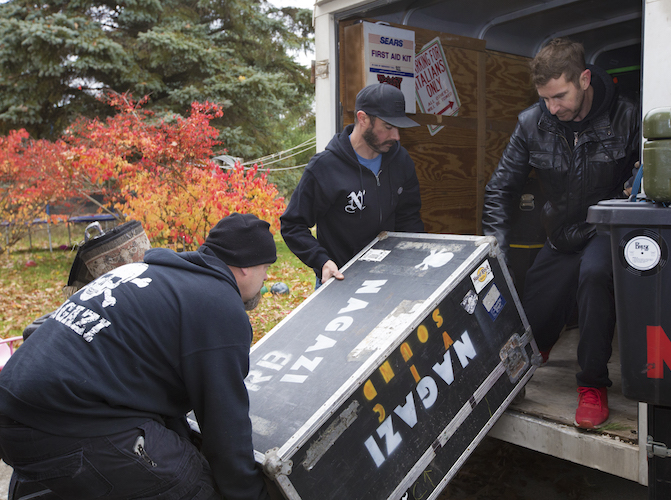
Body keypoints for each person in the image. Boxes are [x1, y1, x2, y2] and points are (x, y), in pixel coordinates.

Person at [0, 213, 277, 499]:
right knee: (194, 484)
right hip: (64, 422)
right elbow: (225, 425)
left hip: (14, 408)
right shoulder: (219, 304)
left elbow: (151, 390)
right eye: (266, 268)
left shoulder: (151, 275)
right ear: (246, 267)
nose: (266, 277)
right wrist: (250, 494)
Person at [482, 38, 641, 428]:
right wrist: (494, 247)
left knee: (593, 277)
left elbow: (645, 182)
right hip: (561, 233)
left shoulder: (627, 116)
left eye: (560, 96)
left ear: (584, 79)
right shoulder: (531, 123)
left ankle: (592, 384)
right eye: (545, 99)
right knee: (534, 312)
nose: (553, 108)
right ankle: (539, 347)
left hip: (605, 229)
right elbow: (501, 187)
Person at [281, 83, 425, 286]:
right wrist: (322, 261)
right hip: (341, 279)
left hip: (389, 276)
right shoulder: (325, 167)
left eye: (398, 128)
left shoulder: (401, 160)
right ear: (363, 118)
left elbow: (409, 217)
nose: (396, 136)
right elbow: (293, 225)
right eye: (388, 127)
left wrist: (418, 257)